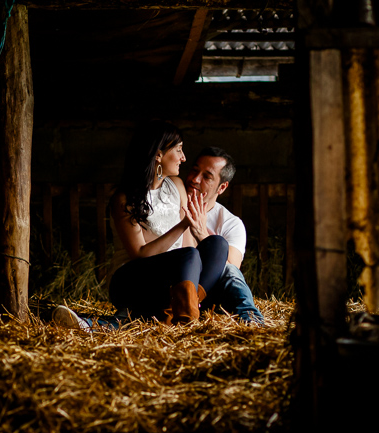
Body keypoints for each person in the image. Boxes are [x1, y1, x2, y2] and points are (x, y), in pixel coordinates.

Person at [100, 121, 230, 325]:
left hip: (171, 281)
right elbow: (139, 254)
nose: (183, 157)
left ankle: (176, 311)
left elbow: (188, 247)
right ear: (158, 155)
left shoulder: (176, 186)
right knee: (188, 255)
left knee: (218, 244)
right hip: (132, 281)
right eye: (178, 150)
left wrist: (192, 232)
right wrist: (182, 225)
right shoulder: (125, 199)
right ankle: (187, 322)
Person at [183, 147, 264, 324]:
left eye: (207, 176)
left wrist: (202, 235)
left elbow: (231, 270)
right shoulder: (170, 204)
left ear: (222, 187)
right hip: (175, 287)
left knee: (227, 267)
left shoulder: (230, 223)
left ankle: (252, 321)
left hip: (209, 296)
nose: (195, 180)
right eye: (195, 170)